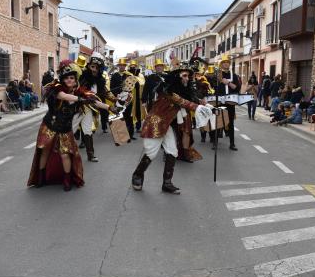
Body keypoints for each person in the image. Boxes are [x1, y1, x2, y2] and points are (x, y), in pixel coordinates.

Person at [131, 63, 207, 194]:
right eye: (184, 75)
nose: (187, 78)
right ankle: (137, 175)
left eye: (188, 76)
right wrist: (199, 108)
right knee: (151, 153)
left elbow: (190, 99)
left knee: (172, 152)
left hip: (168, 125)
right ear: (177, 76)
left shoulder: (181, 90)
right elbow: (181, 101)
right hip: (156, 124)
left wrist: (209, 107)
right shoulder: (167, 90)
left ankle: (167, 183)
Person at [27, 61, 87, 191]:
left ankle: (66, 180)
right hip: (50, 126)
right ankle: (41, 178)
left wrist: (111, 107)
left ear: (76, 80)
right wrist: (80, 100)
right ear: (63, 80)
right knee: (45, 150)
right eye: (66, 78)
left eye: (72, 78)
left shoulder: (80, 93)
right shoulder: (57, 90)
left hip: (65, 129)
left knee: (65, 154)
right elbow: (63, 96)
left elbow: (95, 101)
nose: (69, 80)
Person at [78, 53, 118, 161]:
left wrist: (116, 99)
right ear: (88, 66)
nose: (94, 69)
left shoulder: (99, 80)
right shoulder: (82, 77)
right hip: (76, 108)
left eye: (96, 67)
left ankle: (90, 155)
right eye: (92, 66)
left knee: (87, 131)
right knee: (66, 130)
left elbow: (105, 92)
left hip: (89, 108)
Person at [214, 54, 240, 151]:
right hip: (220, 102)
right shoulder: (218, 74)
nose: (225, 64)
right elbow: (213, 87)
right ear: (221, 64)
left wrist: (228, 83)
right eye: (224, 62)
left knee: (231, 123)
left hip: (230, 102)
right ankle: (215, 143)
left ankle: (232, 143)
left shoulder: (234, 75)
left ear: (229, 64)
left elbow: (237, 88)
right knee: (218, 121)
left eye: (227, 62)